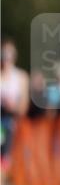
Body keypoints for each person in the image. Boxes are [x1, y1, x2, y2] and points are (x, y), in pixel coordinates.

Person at [0, 38, 29, 177]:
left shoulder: (21, 77)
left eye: (9, 54)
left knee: (1, 167)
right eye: (3, 53)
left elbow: (23, 108)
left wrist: (12, 106)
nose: (6, 57)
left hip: (7, 125)